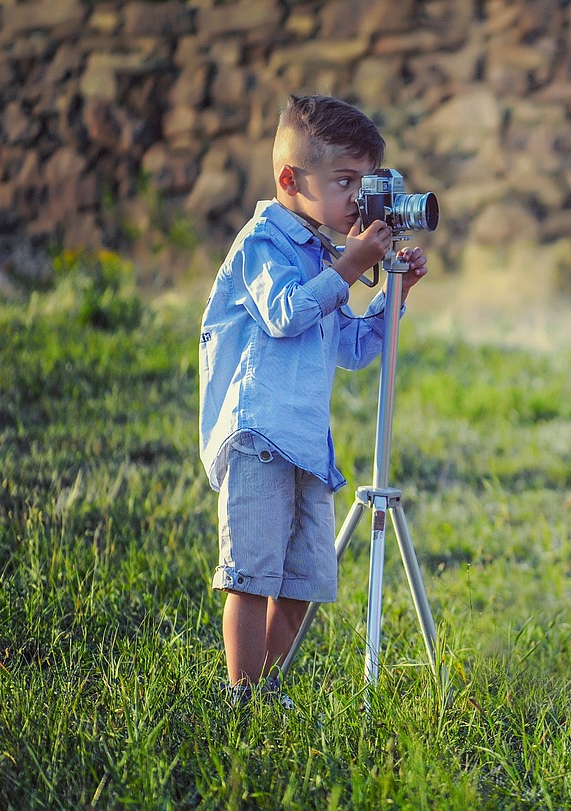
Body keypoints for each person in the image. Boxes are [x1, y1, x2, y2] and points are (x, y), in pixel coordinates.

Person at [198, 94, 428, 707]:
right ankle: (242, 695)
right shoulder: (264, 244)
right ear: (289, 180)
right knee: (251, 574)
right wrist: (350, 268)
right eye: (344, 181)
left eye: (366, 183)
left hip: (306, 443)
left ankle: (269, 690)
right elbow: (284, 314)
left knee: (302, 580)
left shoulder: (325, 254)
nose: (358, 198)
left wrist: (394, 295)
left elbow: (352, 348)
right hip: (259, 436)